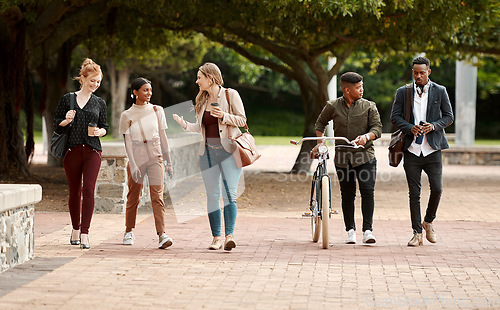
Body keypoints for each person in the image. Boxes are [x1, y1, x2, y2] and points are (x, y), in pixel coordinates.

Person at [172, 62, 246, 251]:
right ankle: (216, 238)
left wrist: (224, 116)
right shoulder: (202, 100)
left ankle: (230, 235)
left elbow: (243, 120)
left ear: (210, 78)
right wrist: (186, 125)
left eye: (199, 77)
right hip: (207, 153)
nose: (197, 81)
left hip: (229, 151)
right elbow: (202, 127)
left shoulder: (230, 95)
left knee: (229, 194)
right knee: (212, 196)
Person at [390, 56, 454, 247]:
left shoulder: (440, 91)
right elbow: (395, 117)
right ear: (412, 72)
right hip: (411, 149)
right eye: (415, 73)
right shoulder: (403, 92)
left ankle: (428, 221)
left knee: (437, 189)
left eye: (422, 73)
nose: (418, 76)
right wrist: (410, 128)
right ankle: (417, 232)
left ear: (429, 72)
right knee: (414, 193)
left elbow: (449, 117)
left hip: (432, 149)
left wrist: (433, 126)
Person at [314, 72, 382, 244]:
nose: (362, 90)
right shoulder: (333, 106)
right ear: (347, 90)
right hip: (343, 158)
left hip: (365, 156)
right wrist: (320, 142)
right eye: (358, 87)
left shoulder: (369, 106)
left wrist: (366, 137)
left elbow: (377, 129)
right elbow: (320, 123)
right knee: (347, 194)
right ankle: (350, 230)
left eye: (362, 86)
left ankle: (368, 230)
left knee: (367, 191)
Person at [54, 58, 108, 249]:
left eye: (98, 81)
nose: (95, 84)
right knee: (75, 192)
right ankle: (75, 228)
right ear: (82, 79)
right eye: (92, 80)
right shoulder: (67, 99)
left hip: (93, 150)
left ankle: (85, 232)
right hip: (72, 151)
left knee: (89, 189)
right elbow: (57, 125)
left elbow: (105, 127)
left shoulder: (100, 103)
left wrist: (101, 132)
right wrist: (66, 120)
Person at [119, 77, 174, 249]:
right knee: (133, 195)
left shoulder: (158, 110)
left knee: (157, 196)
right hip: (137, 154)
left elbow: (163, 137)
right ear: (135, 92)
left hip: (155, 155)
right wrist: (133, 164)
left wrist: (168, 161)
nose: (149, 93)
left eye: (150, 90)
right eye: (145, 90)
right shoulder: (127, 115)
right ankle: (128, 231)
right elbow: (127, 142)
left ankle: (162, 234)